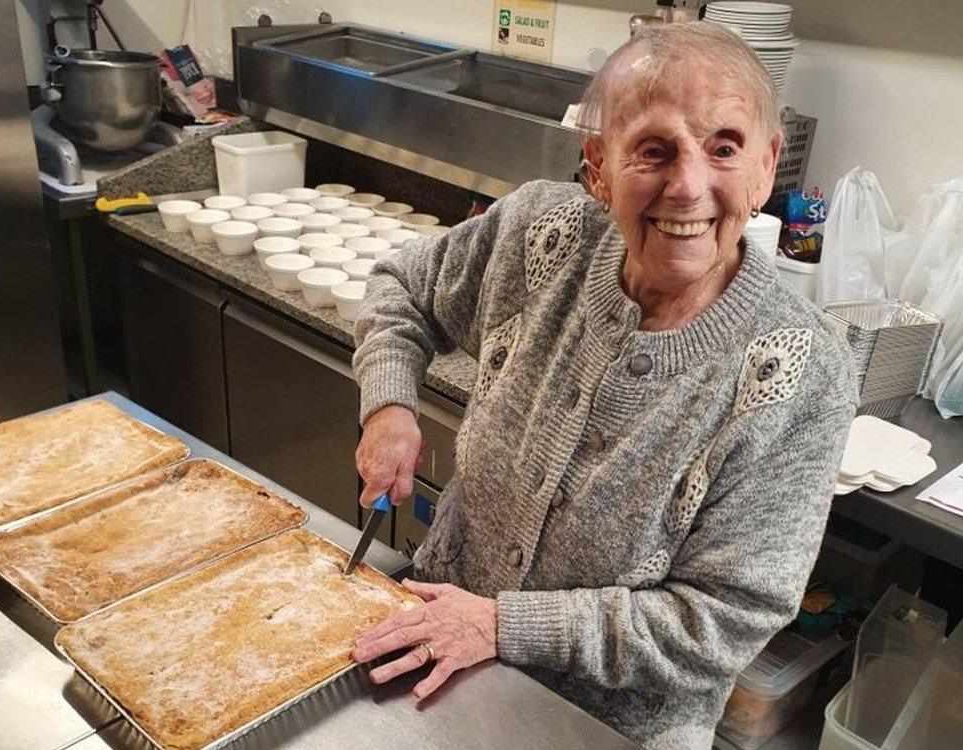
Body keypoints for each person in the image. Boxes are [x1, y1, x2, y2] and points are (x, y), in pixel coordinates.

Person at [349, 21, 858, 749]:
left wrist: (501, 626)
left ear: (765, 166)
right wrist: (389, 406)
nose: (688, 186)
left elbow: (719, 622)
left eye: (724, 148)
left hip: (605, 727)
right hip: (436, 651)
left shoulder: (803, 372)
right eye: (653, 150)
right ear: (597, 166)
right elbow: (402, 287)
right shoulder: (538, 234)